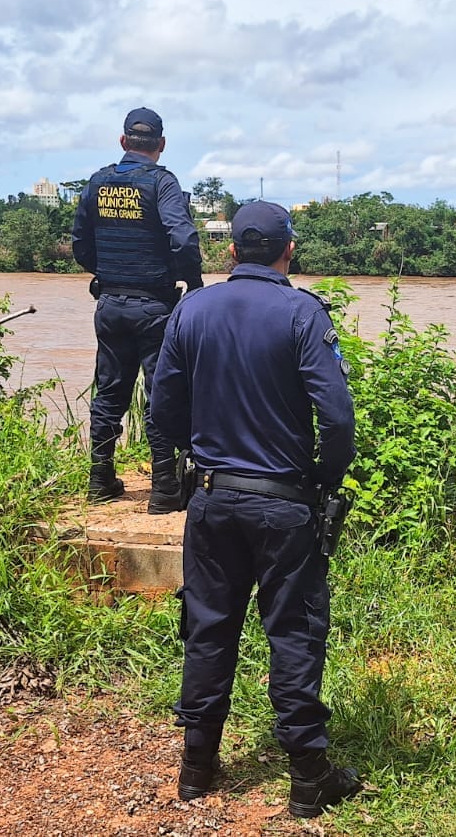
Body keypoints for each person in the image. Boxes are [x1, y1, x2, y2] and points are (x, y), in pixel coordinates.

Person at [150, 201, 362, 818]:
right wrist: (321, 480)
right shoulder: (302, 313)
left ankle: (196, 766)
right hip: (285, 504)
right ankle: (307, 776)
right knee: (293, 632)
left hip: (213, 500)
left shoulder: (192, 311)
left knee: (209, 628)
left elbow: (162, 410)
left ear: (232, 251)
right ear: (288, 251)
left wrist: (202, 458)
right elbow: (339, 419)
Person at [71, 107, 203, 513]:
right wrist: (193, 283)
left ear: (123, 141)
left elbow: (80, 244)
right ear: (160, 146)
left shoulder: (97, 183)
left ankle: (100, 479)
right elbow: (182, 239)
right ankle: (163, 488)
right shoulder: (161, 183)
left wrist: (108, 272)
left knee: (109, 389)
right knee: (159, 391)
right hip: (154, 306)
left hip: (109, 304)